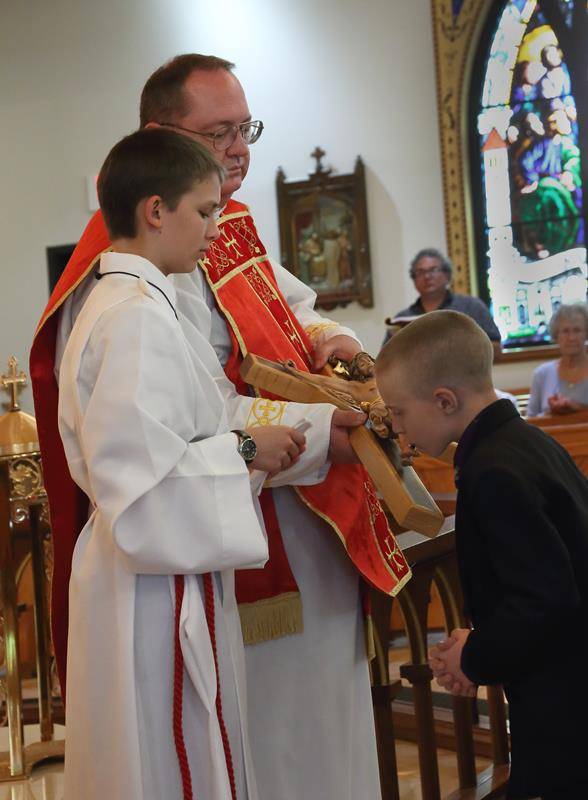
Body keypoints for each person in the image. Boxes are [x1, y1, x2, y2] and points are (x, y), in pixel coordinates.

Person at [30, 54, 410, 800]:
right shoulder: (132, 279)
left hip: (283, 517)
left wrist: (331, 337)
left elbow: (286, 313)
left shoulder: (224, 227)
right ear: (159, 141)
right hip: (220, 535)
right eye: (220, 132)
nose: (239, 149)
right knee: (246, 743)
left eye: (246, 129)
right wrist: (302, 435)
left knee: (316, 728)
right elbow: (188, 421)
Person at [57, 128, 311, 800]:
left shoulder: (130, 305)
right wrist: (249, 451)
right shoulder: (133, 318)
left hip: (147, 580)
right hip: (154, 587)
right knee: (173, 762)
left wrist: (255, 441)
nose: (216, 228)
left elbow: (177, 437)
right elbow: (143, 492)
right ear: (155, 210)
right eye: (204, 210)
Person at [375, 310, 588, 800]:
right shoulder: (526, 443)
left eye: (401, 413)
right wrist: (482, 644)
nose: (400, 431)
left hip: (565, 702)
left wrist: (475, 656)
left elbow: (545, 602)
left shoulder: (491, 471)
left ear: (444, 400)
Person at [383, 248, 501, 348]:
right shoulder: (402, 318)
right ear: (414, 280)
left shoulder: (471, 307)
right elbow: (384, 361)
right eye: (420, 272)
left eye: (433, 270)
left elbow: (496, 347)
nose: (427, 276)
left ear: (447, 275)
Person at [527, 302, 588, 417]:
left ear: (586, 334)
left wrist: (578, 408)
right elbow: (531, 420)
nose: (571, 338)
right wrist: (550, 413)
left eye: (577, 330)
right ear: (556, 336)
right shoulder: (542, 374)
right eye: (565, 331)